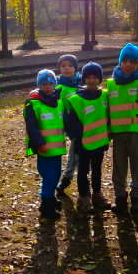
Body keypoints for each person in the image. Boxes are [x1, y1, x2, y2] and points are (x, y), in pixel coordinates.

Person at [107, 43, 138, 215]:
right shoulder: (112, 84)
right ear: (120, 62)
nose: (128, 64)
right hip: (118, 133)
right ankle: (120, 198)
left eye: (133, 62)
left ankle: (136, 198)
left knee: (137, 165)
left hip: (135, 131)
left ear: (137, 64)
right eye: (125, 61)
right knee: (119, 167)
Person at [66, 61, 111, 213]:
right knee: (83, 171)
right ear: (84, 78)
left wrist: (106, 137)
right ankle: (84, 198)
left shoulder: (104, 96)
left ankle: (97, 195)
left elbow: (107, 117)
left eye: (95, 77)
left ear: (100, 79)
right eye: (89, 77)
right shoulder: (76, 99)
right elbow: (71, 123)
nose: (92, 80)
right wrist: (77, 139)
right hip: (83, 143)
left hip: (100, 142)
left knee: (97, 170)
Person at [24, 69, 66, 220]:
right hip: (44, 148)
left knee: (56, 174)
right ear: (39, 85)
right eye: (44, 84)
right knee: (49, 176)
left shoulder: (59, 101)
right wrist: (39, 143)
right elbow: (32, 127)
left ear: (55, 84)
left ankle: (50, 199)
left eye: (50, 83)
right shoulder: (33, 104)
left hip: (57, 148)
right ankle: (46, 205)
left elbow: (64, 121)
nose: (47, 87)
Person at [55, 54, 82, 194]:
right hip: (67, 124)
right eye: (63, 65)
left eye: (70, 65)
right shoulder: (57, 86)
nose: (67, 68)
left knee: (77, 153)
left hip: (83, 124)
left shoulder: (81, 83)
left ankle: (68, 178)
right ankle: (66, 177)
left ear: (75, 68)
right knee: (73, 152)